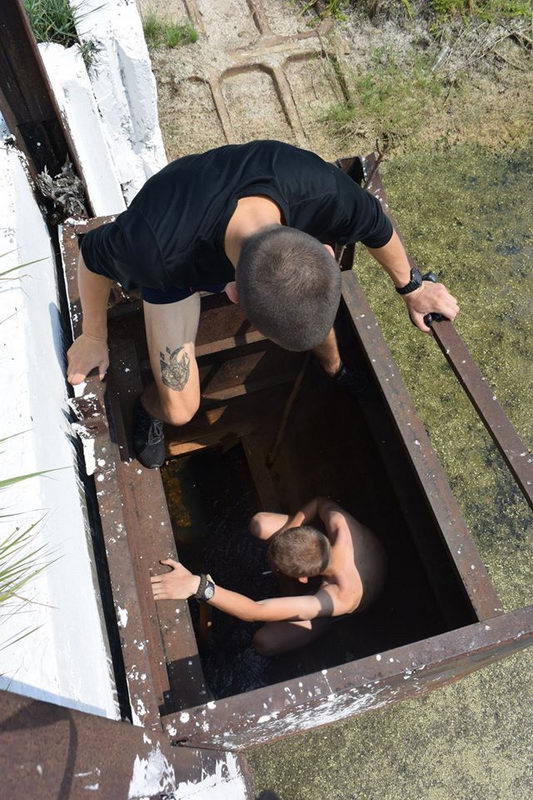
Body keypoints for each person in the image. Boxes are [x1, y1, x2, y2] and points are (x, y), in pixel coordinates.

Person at [66, 140, 459, 468]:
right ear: (233, 294)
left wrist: (412, 287)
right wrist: (93, 336)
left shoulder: (321, 189)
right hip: (178, 267)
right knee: (180, 409)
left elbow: (375, 224)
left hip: (228, 239)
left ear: (321, 251)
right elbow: (92, 256)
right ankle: (151, 410)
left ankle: (334, 368)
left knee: (306, 307)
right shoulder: (151, 249)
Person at [150, 498, 386, 655]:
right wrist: (287, 532)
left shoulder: (339, 597)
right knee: (261, 524)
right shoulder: (338, 523)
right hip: (363, 555)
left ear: (303, 579)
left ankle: (327, 626)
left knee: (265, 642)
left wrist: (199, 586)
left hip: (347, 602)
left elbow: (255, 611)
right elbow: (319, 501)